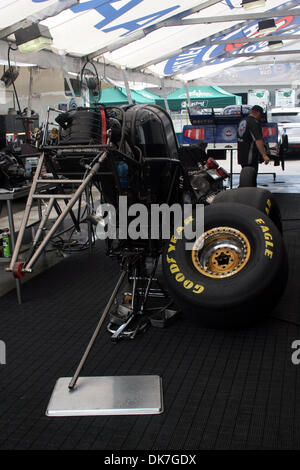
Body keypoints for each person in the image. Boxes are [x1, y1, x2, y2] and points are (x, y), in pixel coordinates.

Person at [237, 105, 270, 183]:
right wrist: (264, 155)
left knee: (245, 178)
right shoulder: (254, 122)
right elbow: (258, 140)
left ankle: (244, 193)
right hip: (250, 156)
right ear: (258, 113)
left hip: (242, 154)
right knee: (251, 179)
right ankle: (250, 193)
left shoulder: (243, 121)